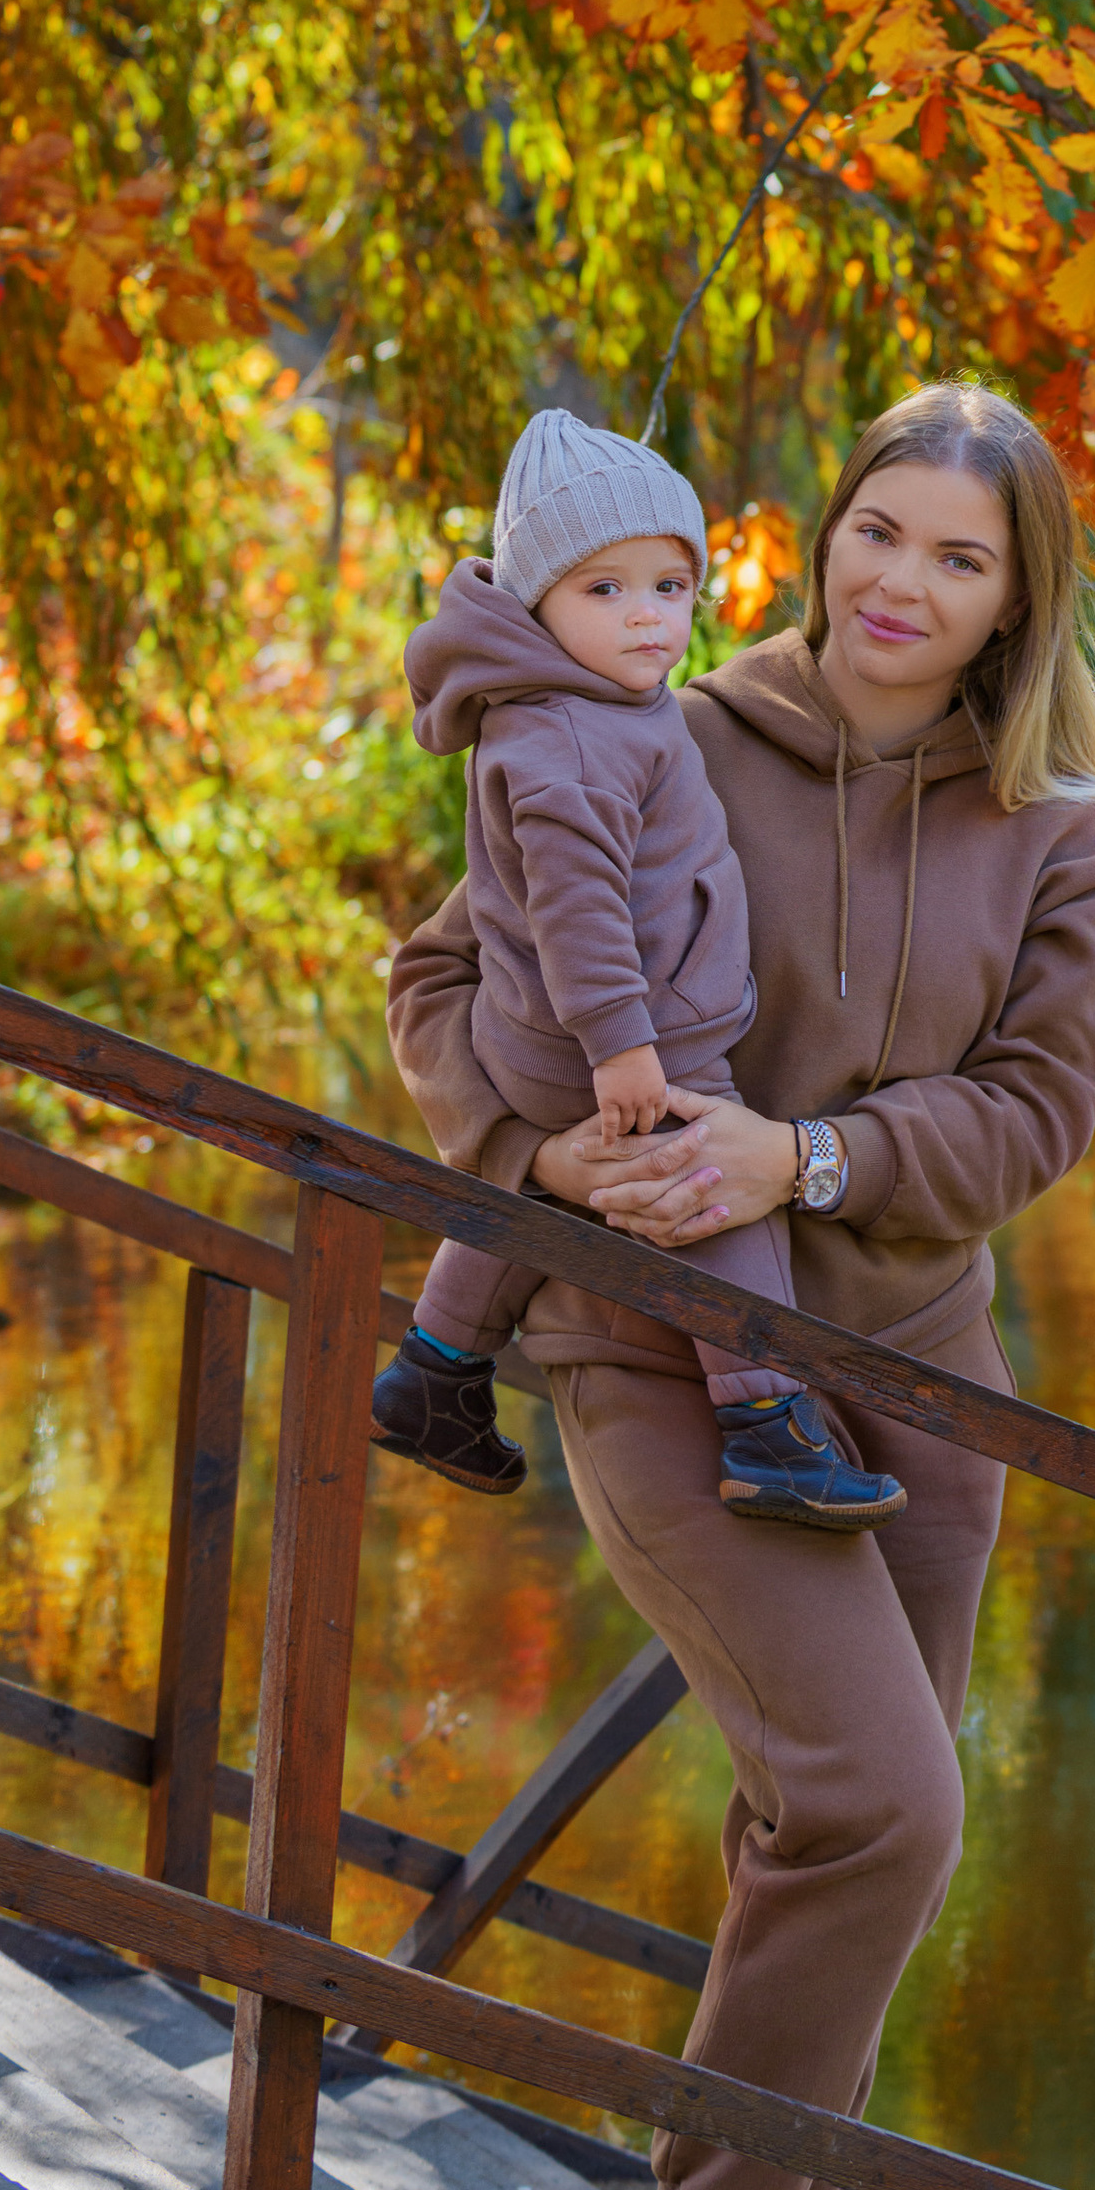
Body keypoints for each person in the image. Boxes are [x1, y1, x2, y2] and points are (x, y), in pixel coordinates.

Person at [384, 378, 1095, 2190]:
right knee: (886, 1804)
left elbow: (1038, 1109)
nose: (903, 582)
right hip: (657, 1349)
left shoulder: (1061, 827)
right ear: (820, 537)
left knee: (837, 1830)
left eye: (959, 558)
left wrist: (802, 1159)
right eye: (878, 530)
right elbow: (441, 986)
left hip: (914, 1382)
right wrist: (537, 1162)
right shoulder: (666, 726)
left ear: (1014, 601)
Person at [368, 407, 904, 1535]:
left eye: (669, 585)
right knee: (711, 1186)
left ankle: (433, 1371)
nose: (648, 616)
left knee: (536, 1201)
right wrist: (621, 1045)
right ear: (537, 603)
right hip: (618, 1039)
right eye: (604, 589)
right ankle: (769, 1425)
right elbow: (573, 908)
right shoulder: (567, 738)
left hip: (564, 1035)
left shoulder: (601, 701)